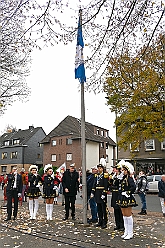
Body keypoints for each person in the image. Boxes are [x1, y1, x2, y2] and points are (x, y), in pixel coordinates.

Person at [116, 161, 138, 240]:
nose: (123, 171)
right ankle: (126, 231)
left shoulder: (129, 178)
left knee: (128, 215)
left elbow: (133, 187)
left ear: (127, 171)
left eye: (124, 170)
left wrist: (128, 192)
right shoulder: (122, 178)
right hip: (122, 197)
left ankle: (130, 232)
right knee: (124, 215)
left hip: (127, 197)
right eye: (122, 170)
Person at [91, 163, 109, 229]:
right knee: (99, 208)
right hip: (97, 193)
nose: (99, 169)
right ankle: (100, 221)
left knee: (103, 209)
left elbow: (106, 185)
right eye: (98, 168)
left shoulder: (105, 175)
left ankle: (105, 222)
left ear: (103, 169)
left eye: (100, 168)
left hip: (102, 193)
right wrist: (92, 192)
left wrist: (104, 193)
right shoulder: (96, 175)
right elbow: (94, 184)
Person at [109, 162, 124, 231]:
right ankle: (117, 224)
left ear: (118, 170)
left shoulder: (121, 176)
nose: (113, 170)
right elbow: (111, 185)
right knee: (115, 210)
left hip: (119, 194)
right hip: (114, 194)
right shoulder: (114, 176)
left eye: (114, 169)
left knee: (120, 210)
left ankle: (122, 225)